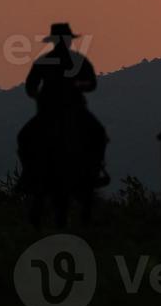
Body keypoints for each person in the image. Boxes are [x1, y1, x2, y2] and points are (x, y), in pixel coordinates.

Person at [18, 22, 109, 188]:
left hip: (72, 109)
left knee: (99, 133)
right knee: (24, 137)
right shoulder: (58, 61)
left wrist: (78, 86)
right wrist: (39, 97)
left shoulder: (73, 61)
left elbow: (91, 84)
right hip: (51, 110)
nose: (64, 42)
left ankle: (96, 169)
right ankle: (28, 172)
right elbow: (31, 86)